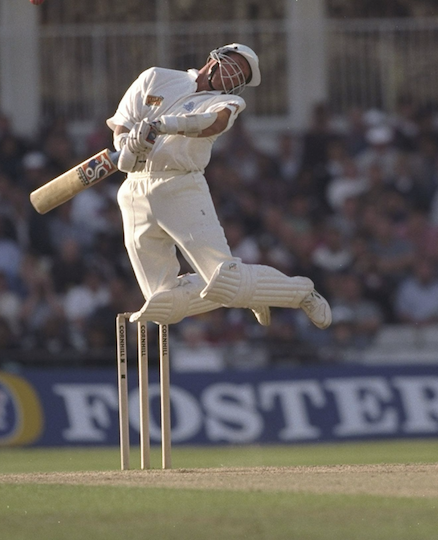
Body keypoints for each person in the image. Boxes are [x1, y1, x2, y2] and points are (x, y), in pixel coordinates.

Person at [105, 43, 332, 329]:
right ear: (215, 58)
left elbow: (212, 123)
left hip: (180, 184)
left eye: (241, 78)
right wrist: (127, 143)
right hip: (134, 190)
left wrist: (163, 125)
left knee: (227, 281)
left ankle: (299, 291)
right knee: (164, 303)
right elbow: (122, 124)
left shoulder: (228, 103)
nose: (234, 78)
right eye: (234, 67)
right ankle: (250, 291)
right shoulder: (156, 77)